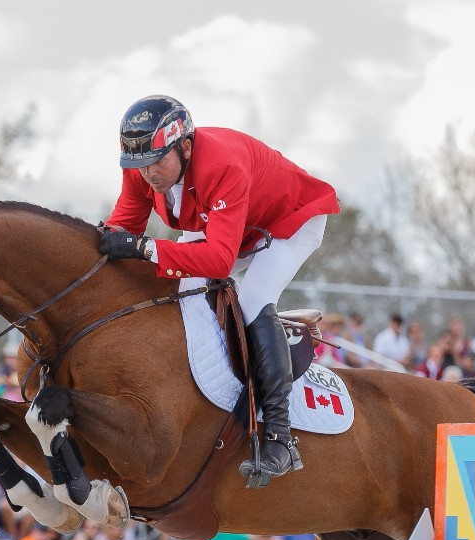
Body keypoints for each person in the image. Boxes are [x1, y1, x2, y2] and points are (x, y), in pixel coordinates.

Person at [100, 95, 339, 484]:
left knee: (253, 298)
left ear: (185, 147)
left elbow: (218, 260)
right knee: (180, 287)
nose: (149, 174)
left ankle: (280, 437)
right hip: (230, 223)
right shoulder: (142, 165)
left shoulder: (221, 165)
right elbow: (122, 227)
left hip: (288, 222)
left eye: (158, 162)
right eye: (140, 165)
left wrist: (145, 248)